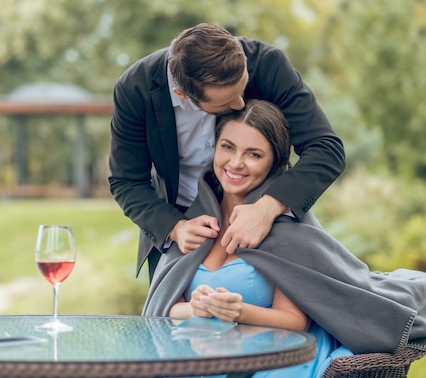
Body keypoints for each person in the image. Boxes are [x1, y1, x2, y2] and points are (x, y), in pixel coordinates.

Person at [143, 101, 426, 377]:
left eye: (253, 154)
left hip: (273, 355)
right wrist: (199, 309)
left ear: (275, 163)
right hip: (199, 352)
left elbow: (294, 322)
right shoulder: (195, 224)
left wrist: (237, 311)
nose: (236, 163)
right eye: (228, 147)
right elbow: (168, 309)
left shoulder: (285, 232)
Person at [108, 23, 346, 279]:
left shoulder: (267, 64)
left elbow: (326, 148)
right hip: (181, 226)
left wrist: (266, 209)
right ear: (183, 95)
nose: (241, 103)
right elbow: (127, 181)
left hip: (263, 219)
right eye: (226, 103)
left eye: (242, 89)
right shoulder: (134, 88)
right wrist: (175, 228)